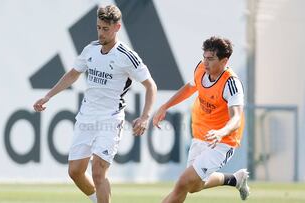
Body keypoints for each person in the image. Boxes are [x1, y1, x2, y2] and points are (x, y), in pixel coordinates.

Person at [33, 4, 156, 203]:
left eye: (105, 29)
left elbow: (151, 86)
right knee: (75, 172)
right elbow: (73, 74)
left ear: (117, 27)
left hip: (110, 118)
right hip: (86, 117)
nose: (101, 33)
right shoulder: (90, 49)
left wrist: (145, 117)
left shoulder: (127, 56)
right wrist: (48, 96)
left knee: (98, 172)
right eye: (98, 27)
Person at [153, 36, 250, 203]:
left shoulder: (232, 83)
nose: (205, 62)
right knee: (193, 186)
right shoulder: (201, 69)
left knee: (183, 183)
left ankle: (234, 179)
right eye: (204, 57)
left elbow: (236, 119)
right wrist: (165, 106)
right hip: (201, 135)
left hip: (223, 141)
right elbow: (191, 87)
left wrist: (221, 132)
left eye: (211, 59)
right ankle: (234, 179)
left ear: (224, 61)